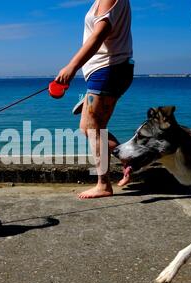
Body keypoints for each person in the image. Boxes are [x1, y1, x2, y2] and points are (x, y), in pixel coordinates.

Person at [55, 0, 134, 199]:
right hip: (109, 70)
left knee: (93, 129)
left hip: (108, 70)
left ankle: (103, 185)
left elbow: (100, 34)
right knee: (88, 128)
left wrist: (71, 67)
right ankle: (130, 158)